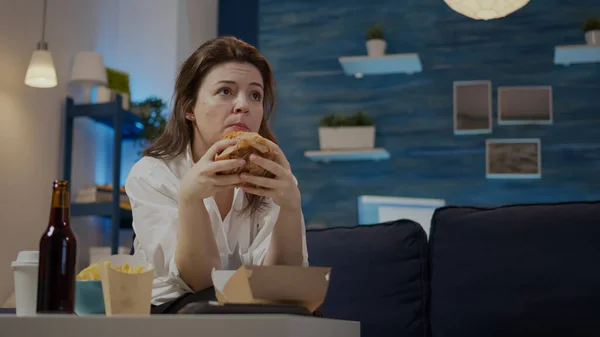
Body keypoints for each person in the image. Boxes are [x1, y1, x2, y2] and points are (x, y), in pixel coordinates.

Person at [125, 36, 311, 314]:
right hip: (174, 314)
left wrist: (291, 208)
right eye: (226, 91)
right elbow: (199, 281)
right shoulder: (153, 175)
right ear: (190, 108)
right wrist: (190, 197)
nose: (243, 105)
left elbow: (281, 284)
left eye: (255, 95)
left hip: (258, 316)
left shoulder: (274, 176)